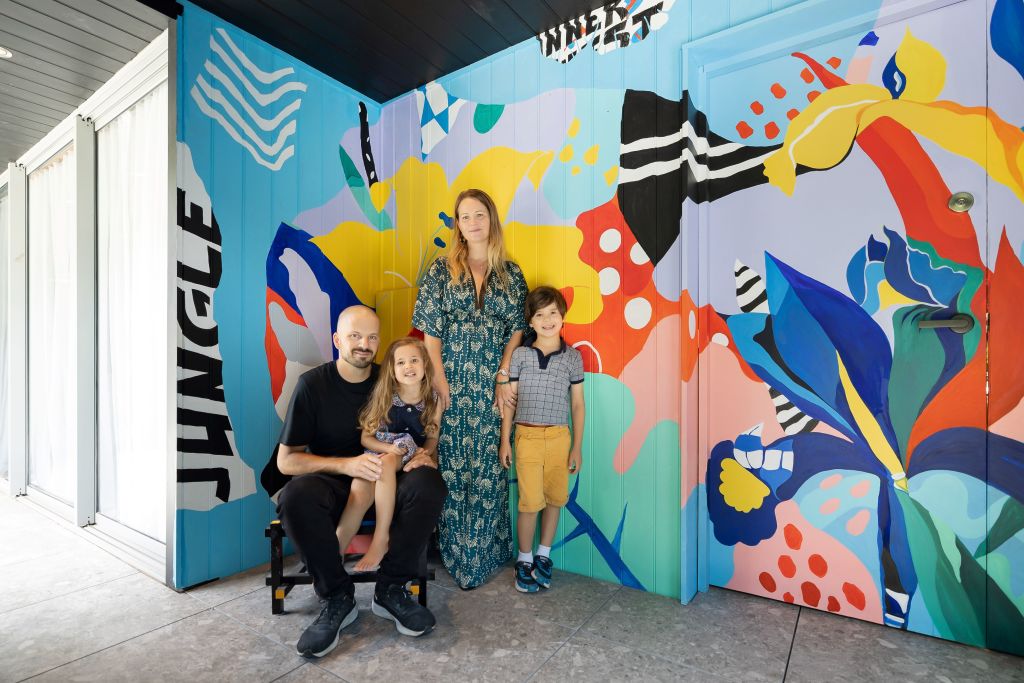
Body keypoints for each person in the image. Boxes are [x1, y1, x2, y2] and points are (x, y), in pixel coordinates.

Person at [275, 306, 447, 658]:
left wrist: (426, 452)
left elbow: (424, 421)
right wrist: (347, 465)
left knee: (430, 484)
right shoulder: (313, 385)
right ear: (338, 340)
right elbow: (286, 460)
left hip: (388, 477)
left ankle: (392, 588)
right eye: (354, 336)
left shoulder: (394, 379)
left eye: (371, 337)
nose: (363, 344)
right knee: (295, 497)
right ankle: (337, 598)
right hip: (335, 478)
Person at [412, 188, 528, 589]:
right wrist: (440, 380)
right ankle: (456, 554)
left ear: (491, 220)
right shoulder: (441, 272)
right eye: (465, 216)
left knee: (490, 468)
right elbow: (430, 333)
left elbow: (517, 328)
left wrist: (504, 372)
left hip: (494, 385)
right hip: (452, 380)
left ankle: (484, 554)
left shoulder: (511, 274)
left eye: (480, 215)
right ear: (457, 224)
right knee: (453, 464)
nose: (473, 222)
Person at [498, 286, 585, 593]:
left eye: (553, 313)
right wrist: (505, 440)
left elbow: (577, 404)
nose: (547, 320)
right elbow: (510, 401)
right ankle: (524, 560)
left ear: (562, 318)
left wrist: (577, 446)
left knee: (555, 498)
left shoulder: (573, 358)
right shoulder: (521, 355)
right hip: (526, 435)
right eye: (539, 314)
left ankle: (543, 556)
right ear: (530, 322)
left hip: (560, 437)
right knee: (530, 501)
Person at [335, 337, 441, 573]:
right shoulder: (385, 396)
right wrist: (386, 449)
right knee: (359, 490)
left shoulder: (433, 399)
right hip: (380, 450)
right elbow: (366, 438)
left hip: (407, 450)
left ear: (425, 365)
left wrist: (426, 453)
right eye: (401, 362)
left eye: (414, 360)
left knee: (387, 462)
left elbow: (433, 436)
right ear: (392, 370)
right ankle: (335, 552)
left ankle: (381, 537)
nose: (408, 367)